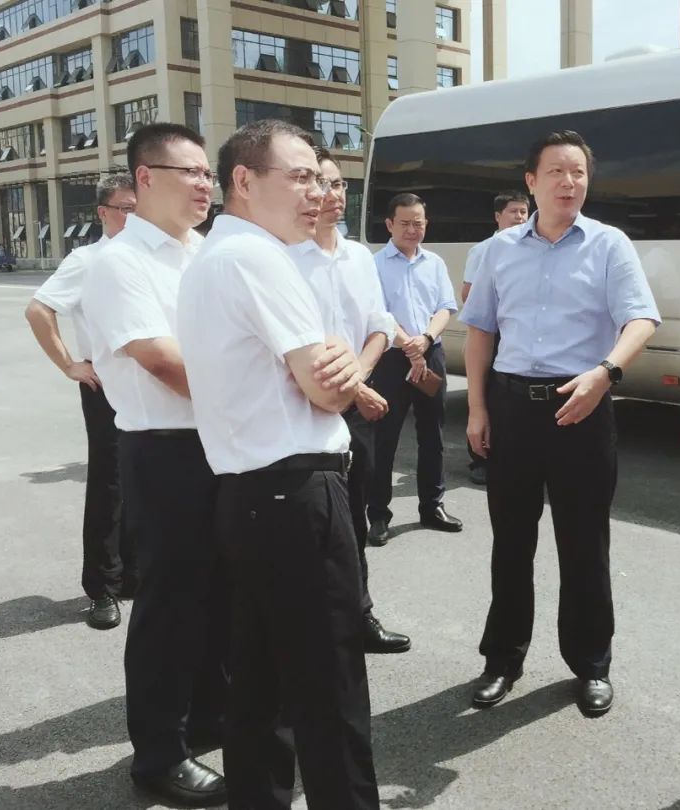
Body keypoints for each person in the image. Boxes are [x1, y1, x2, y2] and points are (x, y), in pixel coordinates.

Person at [177, 119, 379, 810]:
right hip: (297, 492)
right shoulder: (258, 258)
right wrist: (342, 363)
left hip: (250, 496)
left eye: (320, 179)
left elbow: (315, 374)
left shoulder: (214, 256)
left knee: (260, 681)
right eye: (298, 177)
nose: (316, 193)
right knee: (330, 687)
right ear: (243, 180)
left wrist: (332, 363)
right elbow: (328, 389)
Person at [460, 130, 659, 716]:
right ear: (531, 181)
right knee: (510, 542)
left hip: (583, 406)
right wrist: (477, 407)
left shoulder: (609, 245)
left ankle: (591, 664)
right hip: (513, 409)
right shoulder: (498, 250)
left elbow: (641, 319)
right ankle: (502, 659)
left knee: (584, 544)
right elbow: (480, 331)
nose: (569, 182)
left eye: (578, 173)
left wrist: (606, 374)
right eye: (556, 172)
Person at [80, 123, 227, 806]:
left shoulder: (207, 252)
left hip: (222, 443)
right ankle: (159, 755)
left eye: (207, 173)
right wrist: (262, 392)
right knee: (169, 606)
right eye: (189, 172)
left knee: (219, 595)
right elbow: (164, 362)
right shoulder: (119, 263)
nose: (204, 184)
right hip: (165, 452)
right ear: (144, 179)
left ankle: (209, 718)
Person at [286, 146, 411, 655]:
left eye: (338, 183)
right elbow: (295, 345)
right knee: (312, 524)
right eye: (320, 182)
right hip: (305, 409)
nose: (332, 194)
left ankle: (358, 615)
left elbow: (380, 325)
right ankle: (314, 627)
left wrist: (358, 378)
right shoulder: (283, 257)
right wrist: (354, 386)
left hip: (358, 410)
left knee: (353, 518)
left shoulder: (360, 256)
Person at [25, 173, 138, 630]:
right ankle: (103, 588)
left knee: (148, 478)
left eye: (139, 209)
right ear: (103, 213)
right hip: (105, 385)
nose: (134, 217)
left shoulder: (153, 256)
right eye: (125, 209)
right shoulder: (88, 260)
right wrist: (69, 364)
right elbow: (39, 309)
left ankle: (133, 572)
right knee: (110, 484)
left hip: (153, 384)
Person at [367, 193, 462, 545]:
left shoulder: (434, 262)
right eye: (404, 223)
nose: (412, 229)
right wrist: (410, 346)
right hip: (391, 359)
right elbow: (379, 313)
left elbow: (445, 307)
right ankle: (378, 514)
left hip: (430, 353)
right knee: (384, 438)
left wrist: (425, 339)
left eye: (418, 223)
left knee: (433, 435)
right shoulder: (374, 265)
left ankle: (432, 506)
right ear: (389, 224)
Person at [460, 190, 530, 486]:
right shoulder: (484, 250)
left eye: (524, 212)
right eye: (513, 211)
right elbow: (468, 295)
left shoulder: (532, 248)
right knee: (485, 393)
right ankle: (480, 459)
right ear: (498, 216)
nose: (520, 217)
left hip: (520, 331)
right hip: (493, 331)